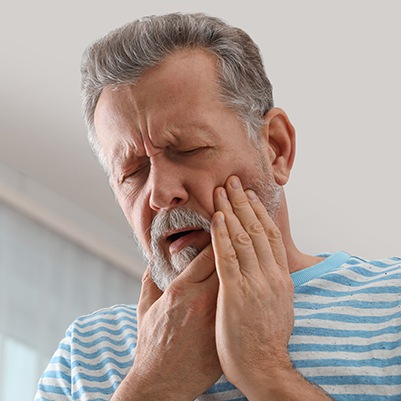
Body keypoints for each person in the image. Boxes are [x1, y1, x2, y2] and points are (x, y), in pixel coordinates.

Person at [35, 12, 401, 401]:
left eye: (188, 149)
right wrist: (154, 384)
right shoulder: (85, 352)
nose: (160, 195)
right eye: (133, 172)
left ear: (276, 149)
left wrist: (264, 369)